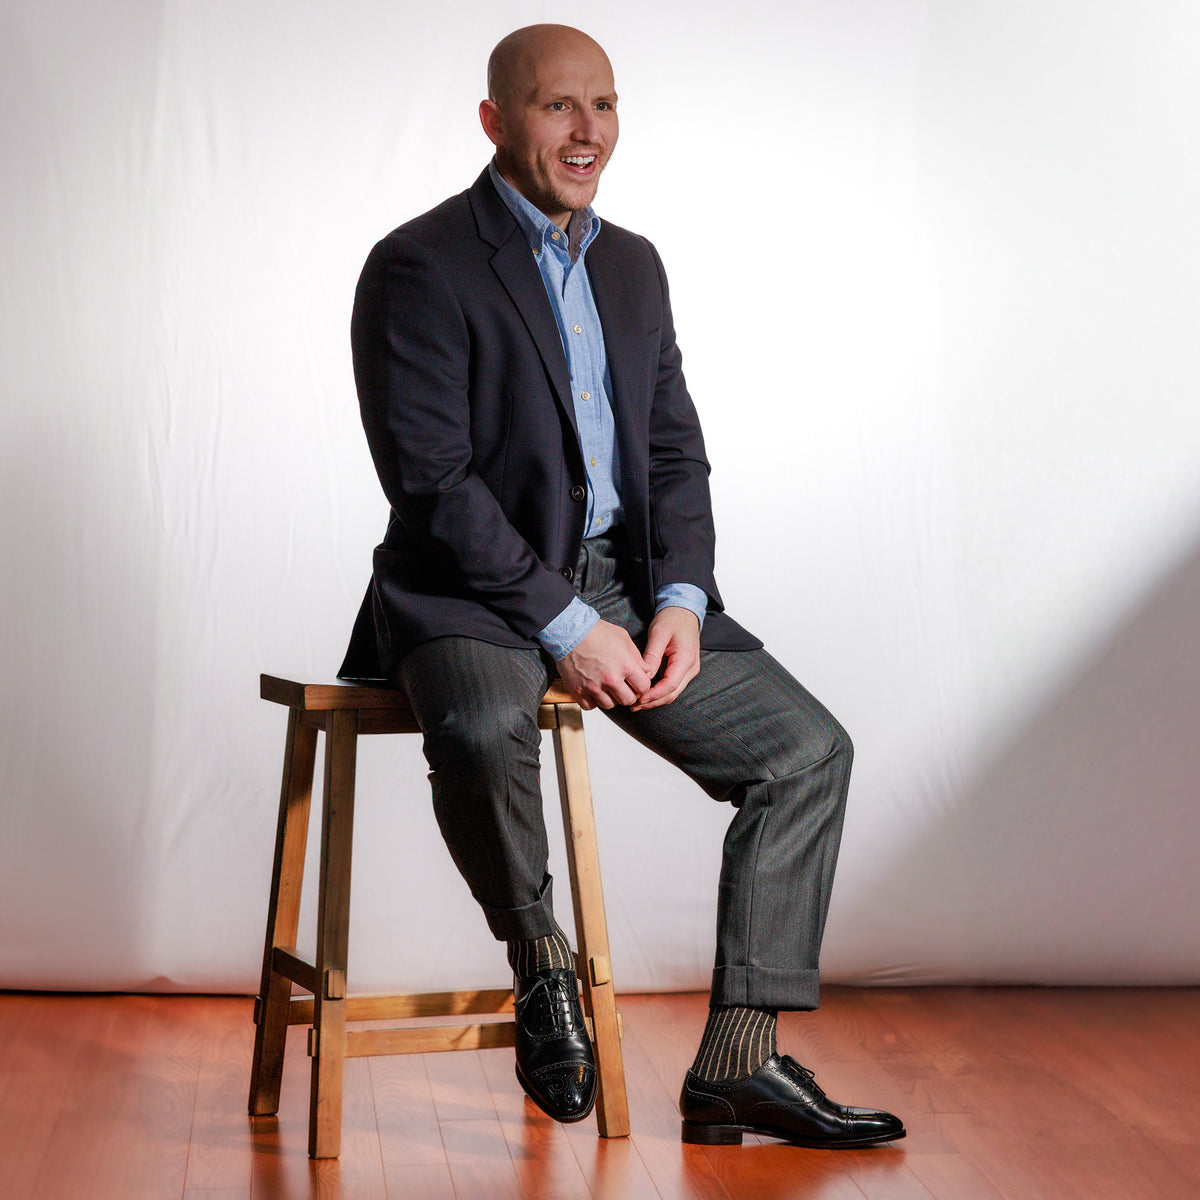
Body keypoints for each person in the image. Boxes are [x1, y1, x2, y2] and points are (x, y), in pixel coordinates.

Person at [340, 23, 904, 1148]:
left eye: (604, 105)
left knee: (806, 753)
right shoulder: (419, 264)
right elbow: (432, 483)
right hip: (470, 593)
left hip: (626, 588)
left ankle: (738, 1060)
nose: (587, 130)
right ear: (495, 120)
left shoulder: (634, 264)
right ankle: (543, 966)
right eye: (558, 105)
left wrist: (682, 601)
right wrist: (562, 623)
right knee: (486, 724)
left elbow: (673, 455)